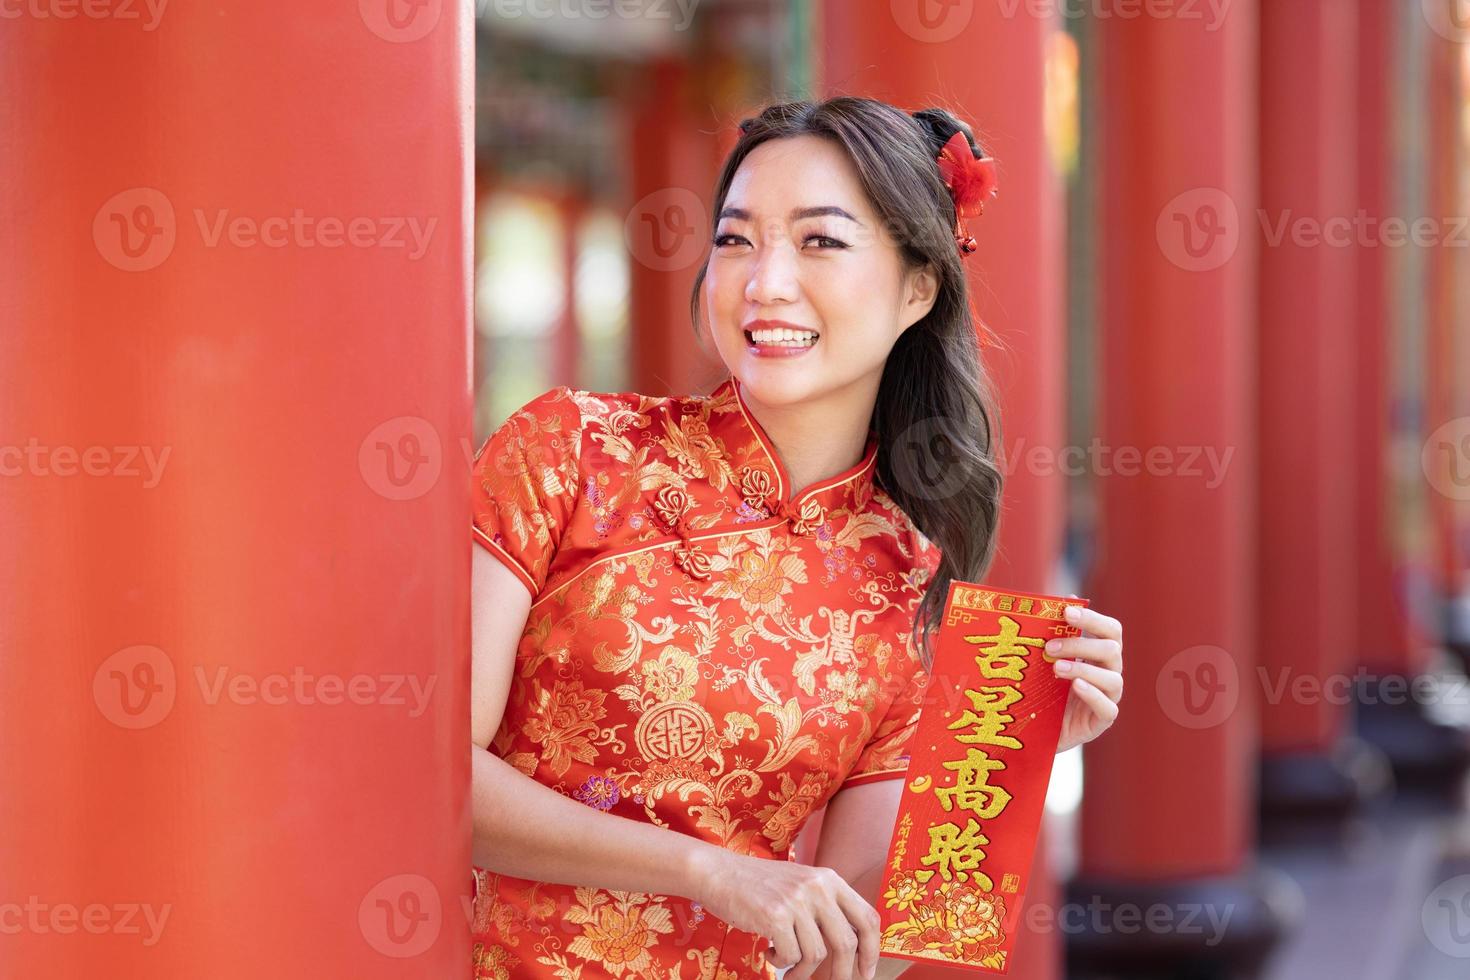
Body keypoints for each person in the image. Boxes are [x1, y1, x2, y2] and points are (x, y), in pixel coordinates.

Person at [468, 96, 1125, 980]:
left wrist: (1011, 761)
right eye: (737, 239)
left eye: (820, 241)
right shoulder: (569, 449)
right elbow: (428, 774)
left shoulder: (908, 581)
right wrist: (709, 871)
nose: (764, 281)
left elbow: (859, 959)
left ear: (916, 289)